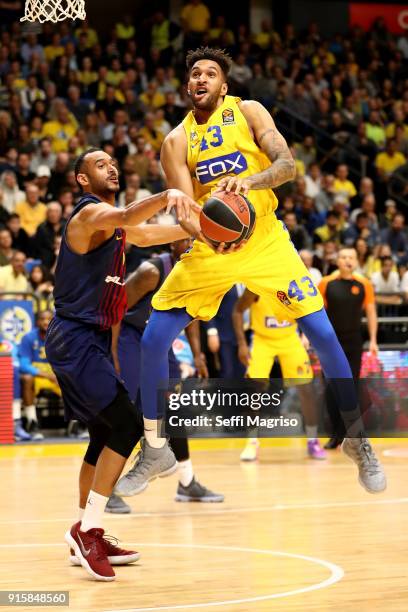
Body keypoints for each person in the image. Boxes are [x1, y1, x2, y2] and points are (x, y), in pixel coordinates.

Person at [116, 47, 386, 498]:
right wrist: (208, 230)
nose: (202, 79)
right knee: (153, 337)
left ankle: (357, 439)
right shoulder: (175, 142)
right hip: (212, 248)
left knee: (324, 334)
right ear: (188, 86)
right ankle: (157, 445)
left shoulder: (248, 111)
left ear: (223, 85)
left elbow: (287, 165)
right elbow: (185, 212)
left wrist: (250, 182)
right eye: (195, 74)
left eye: (211, 73)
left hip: (265, 240)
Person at [44, 147, 200, 582]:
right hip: (75, 338)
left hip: (85, 338)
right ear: (81, 179)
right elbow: (133, 214)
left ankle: (85, 530)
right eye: (99, 164)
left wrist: (201, 226)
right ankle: (88, 530)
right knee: (128, 426)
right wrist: (171, 193)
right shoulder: (89, 215)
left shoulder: (115, 227)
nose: (110, 166)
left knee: (102, 434)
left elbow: (147, 234)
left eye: (113, 162)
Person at [112, 238, 224, 502]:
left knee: (176, 408)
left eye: (195, 239)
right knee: (128, 413)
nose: (189, 243)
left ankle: (186, 482)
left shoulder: (198, 271)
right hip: (130, 337)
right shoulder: (152, 271)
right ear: (171, 242)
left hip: (161, 338)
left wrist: (198, 355)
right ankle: (109, 489)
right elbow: (115, 309)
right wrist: (113, 353)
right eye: (184, 238)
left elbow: (193, 316)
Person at [232, 289, 326, 461]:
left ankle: (312, 440)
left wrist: (306, 334)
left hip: (290, 339)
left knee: (307, 389)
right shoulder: (255, 287)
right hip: (262, 340)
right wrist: (241, 344)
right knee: (253, 390)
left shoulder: (291, 285)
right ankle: (252, 441)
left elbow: (308, 310)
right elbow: (237, 310)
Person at [318, 248, 378, 449]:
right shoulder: (326, 283)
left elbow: (371, 312)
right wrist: (307, 336)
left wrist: (373, 340)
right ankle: (335, 434)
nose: (347, 261)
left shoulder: (364, 284)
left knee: (352, 387)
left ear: (356, 261)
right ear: (337, 261)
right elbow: (315, 312)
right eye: (343, 257)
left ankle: (352, 436)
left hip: (354, 342)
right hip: (331, 344)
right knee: (333, 387)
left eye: (351, 258)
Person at [19, 310, 60, 441]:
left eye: (49, 319)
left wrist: (61, 375)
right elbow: (23, 364)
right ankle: (32, 423)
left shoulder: (60, 337)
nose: (45, 322)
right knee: (26, 378)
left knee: (72, 381)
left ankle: (77, 425)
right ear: (37, 322)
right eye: (42, 319)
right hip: (39, 377)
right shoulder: (29, 338)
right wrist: (46, 375)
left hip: (55, 377)